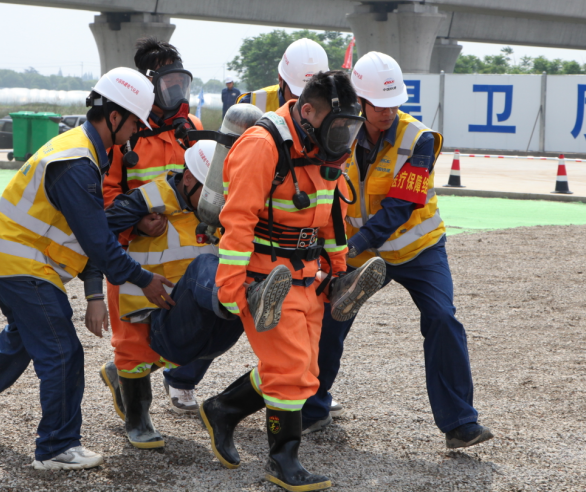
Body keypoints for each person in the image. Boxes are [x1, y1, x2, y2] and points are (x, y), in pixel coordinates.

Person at [0, 67, 175, 471]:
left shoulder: (82, 152)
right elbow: (98, 243)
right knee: (62, 351)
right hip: (22, 265)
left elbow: (88, 230)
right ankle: (56, 447)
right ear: (114, 116)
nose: (136, 131)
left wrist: (103, 280)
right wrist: (144, 279)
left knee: (25, 340)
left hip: (19, 262)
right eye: (135, 121)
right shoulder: (77, 163)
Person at [200, 71, 388, 492]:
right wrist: (230, 286)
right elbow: (238, 219)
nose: (344, 135)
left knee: (306, 368)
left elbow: (331, 212)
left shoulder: (327, 147)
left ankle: (224, 409)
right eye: (338, 126)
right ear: (307, 111)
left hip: (308, 274)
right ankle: (283, 459)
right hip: (264, 276)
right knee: (288, 370)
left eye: (349, 126)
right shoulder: (261, 146)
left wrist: (339, 269)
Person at [300, 51, 494, 450]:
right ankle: (312, 408)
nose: (387, 112)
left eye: (393, 104)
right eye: (377, 104)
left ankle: (460, 424)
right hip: (355, 250)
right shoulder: (340, 131)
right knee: (329, 320)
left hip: (417, 250)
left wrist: (350, 245)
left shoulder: (419, 138)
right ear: (359, 101)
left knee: (442, 318)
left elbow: (400, 206)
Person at [87, 140, 293, 449]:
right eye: (212, 196)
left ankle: (245, 301)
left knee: (236, 299)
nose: (219, 205)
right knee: (137, 353)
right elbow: (95, 234)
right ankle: (137, 417)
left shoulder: (226, 210)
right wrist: (136, 227)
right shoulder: (146, 200)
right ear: (187, 179)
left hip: (188, 314)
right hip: (146, 312)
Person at [99, 37, 212, 415]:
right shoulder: (123, 134)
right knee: (132, 338)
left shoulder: (193, 127)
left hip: (186, 254)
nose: (176, 91)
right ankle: (137, 416)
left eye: (181, 82)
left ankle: (126, 376)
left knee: (188, 331)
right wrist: (136, 222)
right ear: (148, 85)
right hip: (135, 257)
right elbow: (107, 195)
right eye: (168, 83)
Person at [237, 38, 328, 112]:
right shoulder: (251, 105)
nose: (304, 103)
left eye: (314, 96)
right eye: (296, 96)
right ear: (280, 79)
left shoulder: (332, 105)